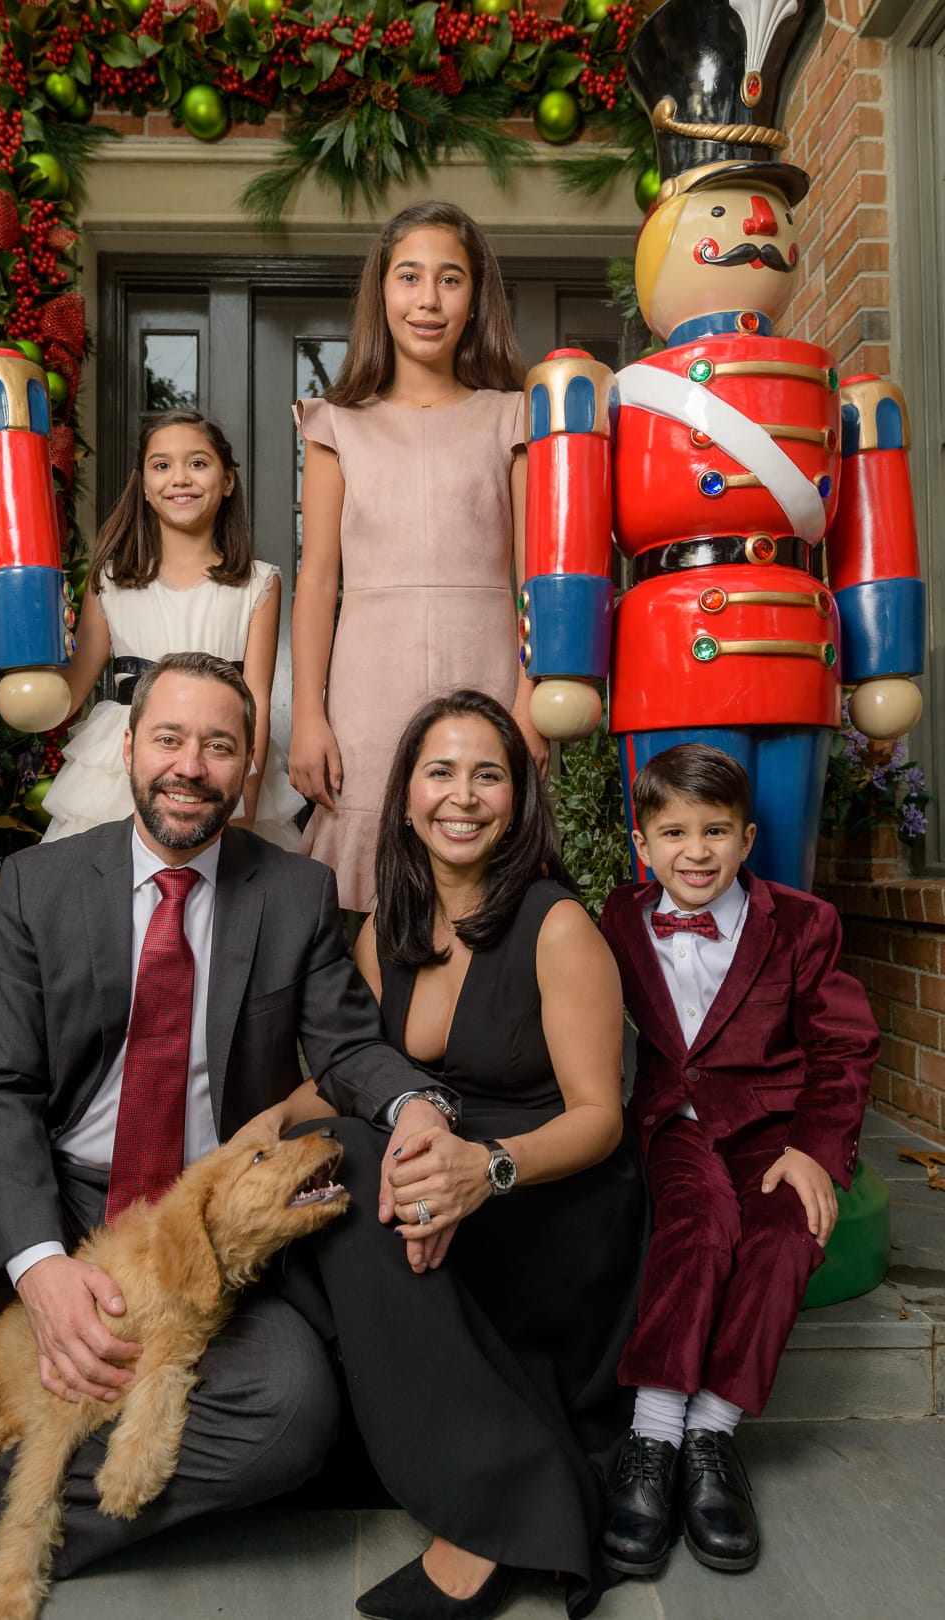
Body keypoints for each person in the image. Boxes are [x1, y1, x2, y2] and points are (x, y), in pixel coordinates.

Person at [0, 652, 432, 1620]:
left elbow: (347, 1049)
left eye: (219, 747)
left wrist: (416, 1106)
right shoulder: (44, 885)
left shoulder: (291, 894)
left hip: (193, 1233)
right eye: (169, 738)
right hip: (50, 1191)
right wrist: (40, 1263)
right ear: (129, 748)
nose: (190, 766)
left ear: (246, 769)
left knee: (291, 1413)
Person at [298, 690, 647, 1620]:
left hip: (548, 1192)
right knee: (317, 1149)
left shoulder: (558, 925)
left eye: (488, 773)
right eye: (440, 771)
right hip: (433, 1178)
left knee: (365, 1170)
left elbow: (599, 1118)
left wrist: (481, 1172)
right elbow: (355, 1075)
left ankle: (503, 1506)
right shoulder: (388, 929)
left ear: (519, 795)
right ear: (408, 796)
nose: (464, 795)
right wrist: (256, 1129)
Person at [598, 743, 879, 1580]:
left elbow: (844, 1047)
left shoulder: (802, 921)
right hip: (672, 1120)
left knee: (789, 1230)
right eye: (674, 832)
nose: (696, 851)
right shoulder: (613, 919)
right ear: (641, 843)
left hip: (775, 1123)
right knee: (698, 1222)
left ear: (748, 838)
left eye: (716, 831)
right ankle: (653, 1439)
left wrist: (818, 1154)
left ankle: (712, 1434)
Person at [289, 200, 548, 914]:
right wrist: (308, 715)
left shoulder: (515, 416)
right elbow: (317, 580)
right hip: (369, 674)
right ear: (381, 291)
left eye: (450, 280)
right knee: (370, 883)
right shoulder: (336, 425)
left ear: (476, 298)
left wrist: (531, 703)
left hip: (489, 662)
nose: (427, 300)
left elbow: (536, 577)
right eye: (409, 277)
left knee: (485, 861)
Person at [0, 409, 304, 846]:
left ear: (228, 480)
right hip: (120, 776)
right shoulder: (110, 583)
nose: (180, 478)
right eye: (162, 465)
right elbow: (63, 697)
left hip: (218, 763)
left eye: (197, 463)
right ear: (143, 485)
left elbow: (256, 703)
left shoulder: (258, 583)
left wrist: (244, 804)